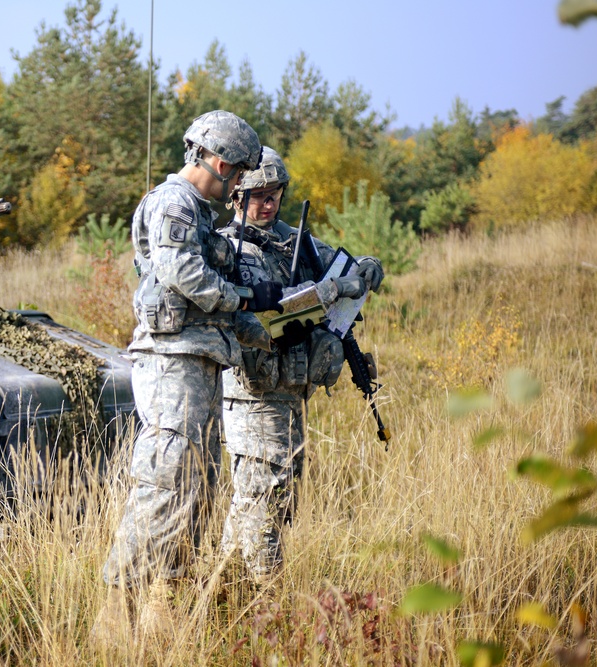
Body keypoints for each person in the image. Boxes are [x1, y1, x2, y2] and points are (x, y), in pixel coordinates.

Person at [93, 110, 281, 644]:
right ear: (221, 162)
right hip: (171, 361)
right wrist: (245, 297)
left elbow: (215, 286)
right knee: (163, 480)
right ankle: (115, 617)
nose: (241, 186)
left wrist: (258, 319)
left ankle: (162, 610)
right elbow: (183, 273)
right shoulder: (173, 203)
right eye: (241, 174)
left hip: (199, 360)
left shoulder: (201, 213)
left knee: (195, 488)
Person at [216, 147, 384, 581]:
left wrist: (367, 268)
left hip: (290, 397)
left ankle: (223, 594)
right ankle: (265, 601)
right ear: (237, 195)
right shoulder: (225, 250)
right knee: (264, 505)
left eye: (275, 194)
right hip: (251, 397)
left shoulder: (299, 241)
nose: (268, 203)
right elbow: (240, 320)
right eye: (258, 195)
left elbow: (347, 267)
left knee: (268, 501)